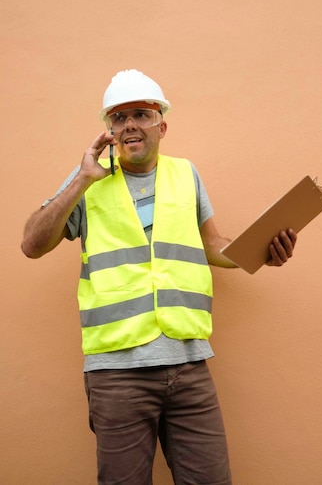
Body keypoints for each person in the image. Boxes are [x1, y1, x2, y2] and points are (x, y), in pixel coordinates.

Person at [21, 70, 297, 485]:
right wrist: (81, 179)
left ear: (161, 126)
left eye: (141, 114)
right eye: (118, 117)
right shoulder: (89, 179)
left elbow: (211, 245)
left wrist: (260, 253)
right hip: (116, 374)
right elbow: (32, 243)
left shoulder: (186, 174)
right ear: (110, 131)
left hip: (189, 366)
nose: (129, 124)